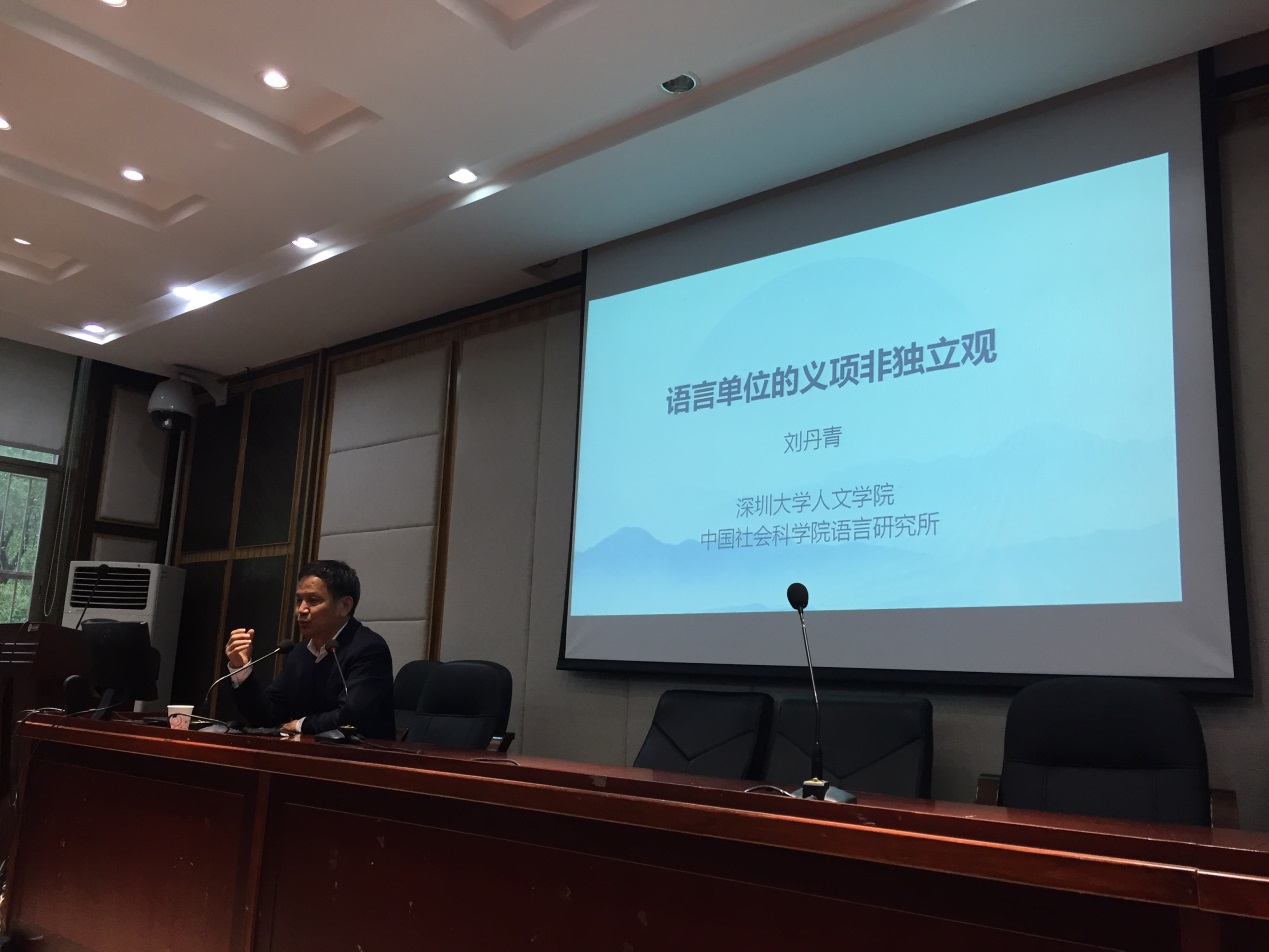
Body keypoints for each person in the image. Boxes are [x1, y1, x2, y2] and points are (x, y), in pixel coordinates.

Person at [223, 559, 395, 739]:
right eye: (299, 600)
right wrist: (241, 669)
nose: (301, 610)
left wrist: (300, 724)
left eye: (313, 600)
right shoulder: (298, 653)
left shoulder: (369, 649)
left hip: (361, 754)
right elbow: (266, 717)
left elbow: (352, 717)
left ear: (345, 606)